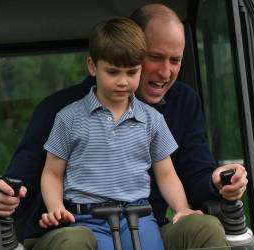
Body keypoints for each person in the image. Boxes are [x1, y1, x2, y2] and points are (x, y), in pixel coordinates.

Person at [0, 3, 248, 250]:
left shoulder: (178, 104)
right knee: (75, 240)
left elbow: (183, 173)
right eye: (156, 57)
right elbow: (25, 180)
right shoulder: (62, 112)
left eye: (175, 60)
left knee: (205, 228)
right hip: (73, 226)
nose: (165, 72)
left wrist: (215, 182)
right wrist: (6, 195)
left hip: (142, 223)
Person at [38, 17, 202, 250]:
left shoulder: (152, 119)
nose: (123, 82)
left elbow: (166, 174)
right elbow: (52, 174)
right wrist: (56, 207)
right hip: (87, 218)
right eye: (113, 72)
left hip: (139, 215)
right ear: (92, 66)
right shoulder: (68, 118)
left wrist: (182, 207)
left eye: (132, 72)